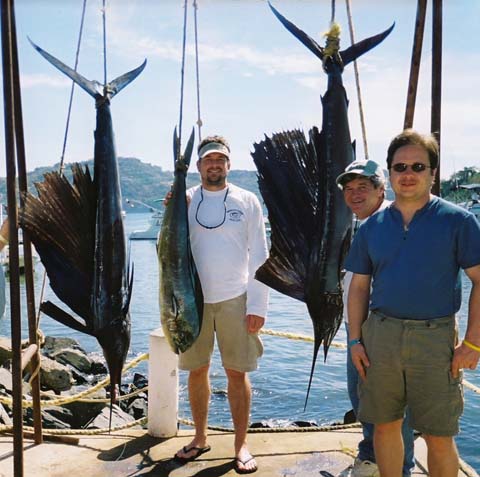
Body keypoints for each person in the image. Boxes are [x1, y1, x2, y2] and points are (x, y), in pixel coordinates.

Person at [346, 129, 480, 476]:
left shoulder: (459, 221)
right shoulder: (371, 227)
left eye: (418, 166)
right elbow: (359, 288)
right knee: (386, 425)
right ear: (389, 173)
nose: (408, 174)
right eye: (399, 166)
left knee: (439, 433)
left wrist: (472, 342)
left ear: (433, 173)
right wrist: (355, 341)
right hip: (381, 337)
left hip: (435, 339)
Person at [173, 135, 269, 474]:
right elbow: (169, 252)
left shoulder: (247, 200)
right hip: (192, 301)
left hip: (236, 298)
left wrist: (258, 305)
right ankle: (199, 438)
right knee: (197, 370)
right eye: (208, 160)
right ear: (198, 166)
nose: (214, 165)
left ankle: (241, 444)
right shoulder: (184, 201)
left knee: (236, 372)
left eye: (220, 159)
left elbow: (260, 255)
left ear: (229, 164)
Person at [336, 160, 415, 477]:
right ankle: (371, 458)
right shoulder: (365, 226)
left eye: (363, 188)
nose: (354, 195)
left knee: (394, 412)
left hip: (387, 333)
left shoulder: (397, 224)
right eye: (349, 189)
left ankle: (401, 468)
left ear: (382, 189)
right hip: (358, 331)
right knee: (363, 401)